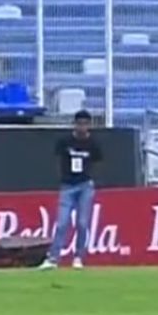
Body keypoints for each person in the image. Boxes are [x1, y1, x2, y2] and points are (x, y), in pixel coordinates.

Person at [42, 109, 103, 270]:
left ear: (89, 125)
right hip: (67, 185)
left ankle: (78, 257)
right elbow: (57, 159)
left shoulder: (93, 144)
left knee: (82, 223)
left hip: (85, 186)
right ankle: (53, 257)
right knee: (62, 223)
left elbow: (98, 162)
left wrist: (90, 178)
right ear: (74, 124)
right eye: (79, 124)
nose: (82, 127)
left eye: (85, 124)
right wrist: (62, 177)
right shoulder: (65, 142)